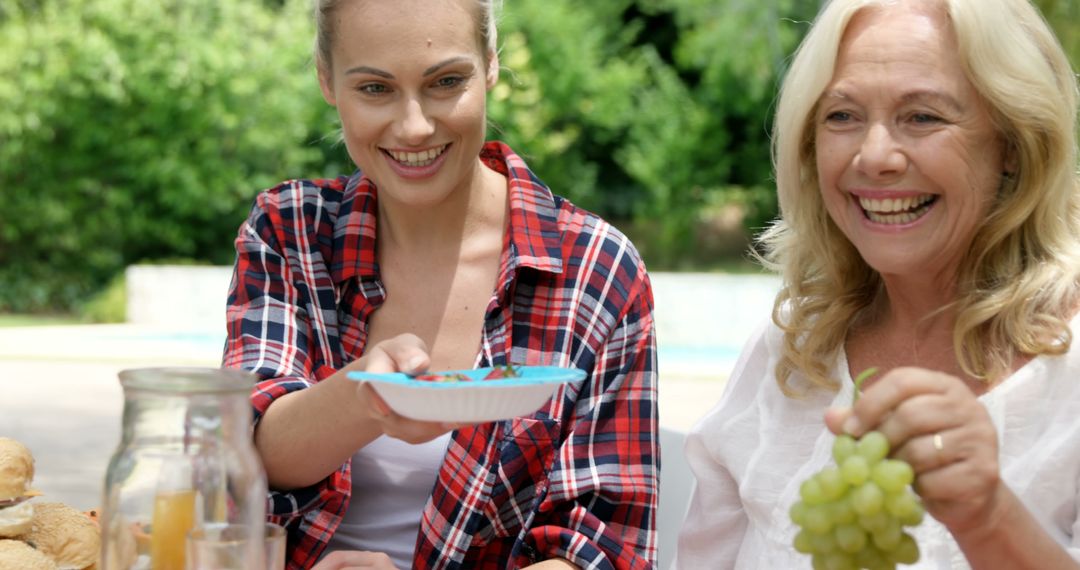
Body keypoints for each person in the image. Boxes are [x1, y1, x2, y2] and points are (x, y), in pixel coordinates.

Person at [221, 1, 658, 569]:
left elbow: (601, 549)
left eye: (446, 82)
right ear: (327, 81)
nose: (414, 126)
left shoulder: (596, 269)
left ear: (491, 65)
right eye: (375, 89)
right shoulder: (289, 229)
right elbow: (242, 453)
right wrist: (363, 398)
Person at [675, 0, 1080, 567]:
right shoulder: (788, 354)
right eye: (842, 116)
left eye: (923, 117)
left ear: (1013, 145)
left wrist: (988, 518)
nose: (874, 156)